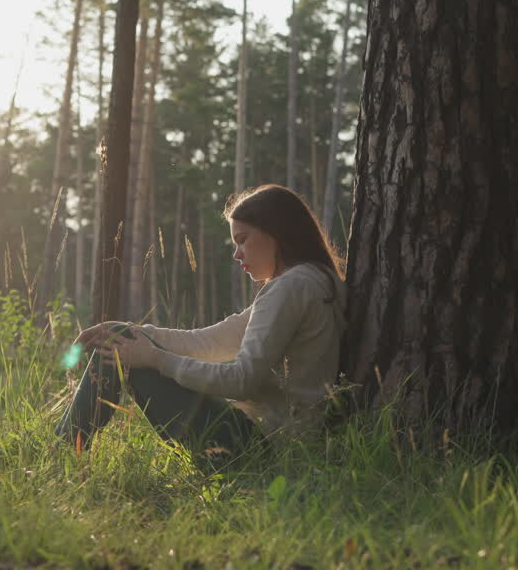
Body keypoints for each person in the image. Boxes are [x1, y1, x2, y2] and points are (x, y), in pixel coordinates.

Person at [54, 184, 346, 461]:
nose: (236, 254)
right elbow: (210, 342)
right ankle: (65, 445)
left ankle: (61, 449)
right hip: (276, 443)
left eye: (243, 239)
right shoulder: (314, 280)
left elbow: (241, 381)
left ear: (276, 232)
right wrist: (135, 331)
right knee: (122, 337)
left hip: (258, 447)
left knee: (120, 342)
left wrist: (156, 359)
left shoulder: (291, 287)